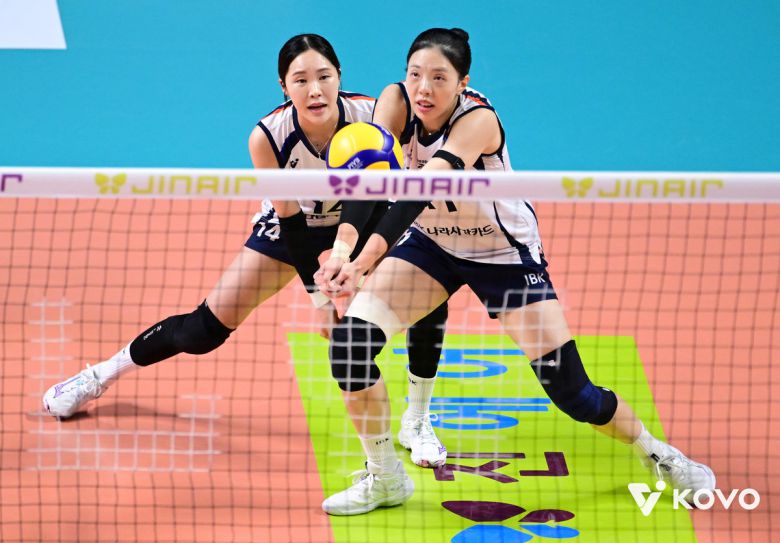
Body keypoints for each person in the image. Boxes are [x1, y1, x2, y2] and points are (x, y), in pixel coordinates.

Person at [316, 27, 716, 516]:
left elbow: (419, 189)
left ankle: (660, 455)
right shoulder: (395, 104)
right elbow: (370, 179)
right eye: (416, 74)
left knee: (573, 393)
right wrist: (343, 250)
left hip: (502, 256)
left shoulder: (477, 121)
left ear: (463, 82)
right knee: (350, 348)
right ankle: (385, 478)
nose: (424, 89)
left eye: (439, 78)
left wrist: (363, 262)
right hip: (433, 245)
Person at [41, 34, 448, 469]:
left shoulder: (370, 116)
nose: (315, 90)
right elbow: (291, 222)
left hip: (359, 221)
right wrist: (321, 301)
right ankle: (100, 375)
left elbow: (382, 195)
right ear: (283, 86)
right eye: (301, 80)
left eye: (324, 77)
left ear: (339, 77)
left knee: (426, 288)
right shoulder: (268, 137)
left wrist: (351, 261)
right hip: (293, 228)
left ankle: (418, 419)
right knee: (202, 331)